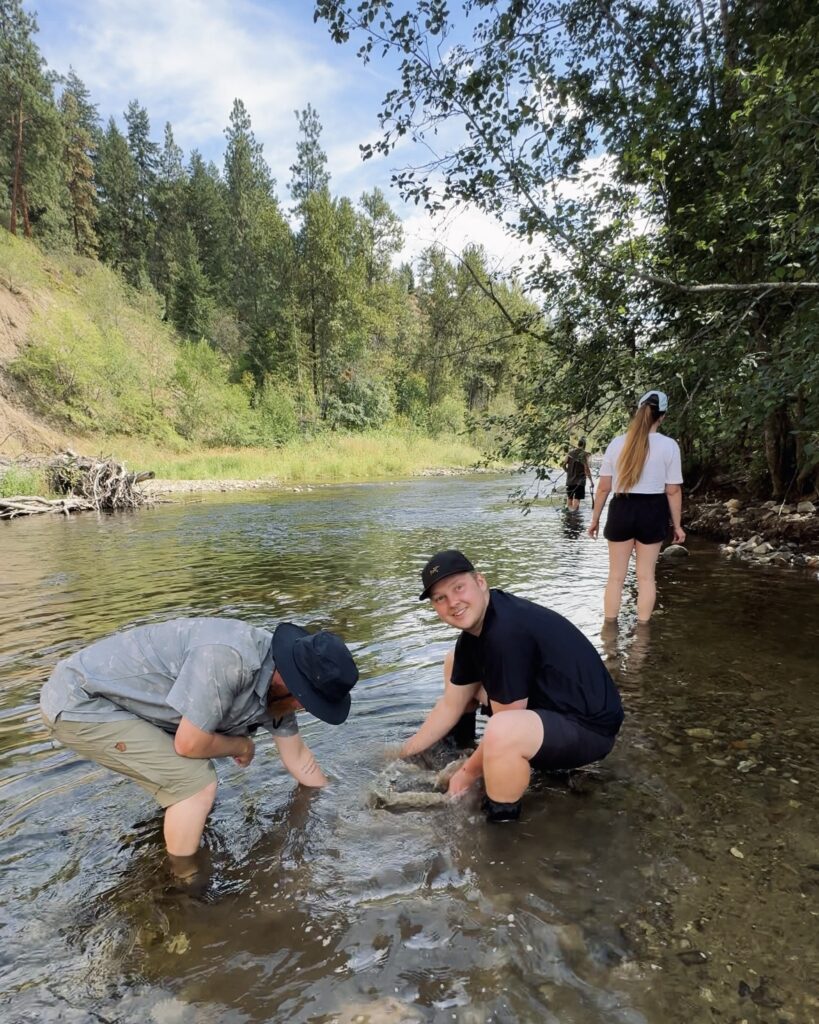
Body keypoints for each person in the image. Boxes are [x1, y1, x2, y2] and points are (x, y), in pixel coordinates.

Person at [39, 617, 359, 865]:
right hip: (81, 701)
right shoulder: (229, 660)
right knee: (196, 784)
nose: (305, 707)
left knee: (192, 784)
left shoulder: (280, 696)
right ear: (289, 679)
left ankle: (168, 842)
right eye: (308, 700)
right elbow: (188, 745)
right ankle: (183, 889)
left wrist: (339, 810)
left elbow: (299, 758)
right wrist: (241, 746)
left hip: (135, 707)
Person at [400, 550, 624, 822]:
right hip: (552, 706)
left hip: (590, 729)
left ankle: (501, 826)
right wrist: (404, 753)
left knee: (503, 733)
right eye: (440, 598)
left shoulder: (505, 631)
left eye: (459, 588)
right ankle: (461, 748)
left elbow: (506, 721)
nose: (453, 603)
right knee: (453, 663)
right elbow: (451, 704)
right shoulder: (476, 631)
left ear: (480, 582)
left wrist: (466, 774)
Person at [587, 389, 685, 623]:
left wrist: (594, 519)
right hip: (652, 510)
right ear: (663, 416)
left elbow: (603, 488)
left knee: (615, 578)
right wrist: (678, 526)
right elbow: (672, 490)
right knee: (646, 578)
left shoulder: (617, 443)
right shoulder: (669, 446)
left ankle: (609, 635)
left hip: (622, 508)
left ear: (639, 411)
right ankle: (642, 639)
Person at [564, 437, 593, 511]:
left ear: (578, 444)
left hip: (570, 480)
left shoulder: (570, 453)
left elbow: (563, 465)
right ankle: (574, 516)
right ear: (584, 445)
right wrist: (591, 481)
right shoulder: (584, 454)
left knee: (569, 498)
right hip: (580, 482)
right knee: (577, 500)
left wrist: (568, 471)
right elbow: (586, 468)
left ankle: (570, 516)